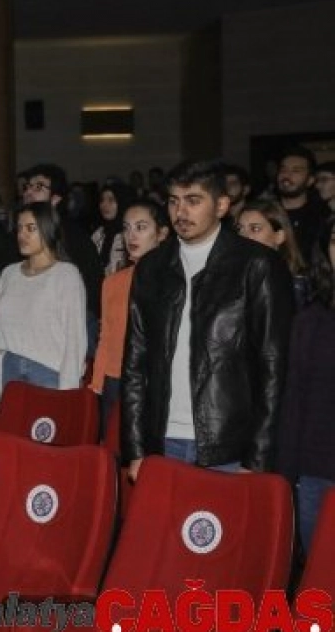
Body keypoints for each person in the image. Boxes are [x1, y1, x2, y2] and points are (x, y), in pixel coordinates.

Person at [123, 160, 293, 480]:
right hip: (162, 440)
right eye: (174, 201)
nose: (181, 212)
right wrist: (135, 448)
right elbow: (135, 362)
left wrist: (258, 456)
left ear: (222, 205)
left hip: (229, 443)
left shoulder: (257, 265)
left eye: (193, 200)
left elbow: (273, 366)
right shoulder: (152, 267)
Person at [0, 202, 88, 402]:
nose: (22, 235)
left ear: (47, 229)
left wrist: (67, 394)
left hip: (48, 372)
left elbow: (74, 340)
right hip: (10, 367)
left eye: (30, 228)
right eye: (19, 228)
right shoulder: (9, 273)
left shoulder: (66, 275)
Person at [279, 218, 335, 554]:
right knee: (317, 571)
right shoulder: (310, 320)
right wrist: (286, 481)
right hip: (317, 471)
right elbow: (294, 403)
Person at [89, 200, 170, 431]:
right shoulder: (113, 282)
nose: (131, 236)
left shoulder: (173, 281)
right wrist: (97, 383)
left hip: (154, 380)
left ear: (162, 233)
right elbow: (106, 336)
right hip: (115, 378)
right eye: (126, 228)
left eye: (141, 227)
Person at [21, 164, 104, 351]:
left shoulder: (71, 235)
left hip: (68, 325)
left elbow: (91, 285)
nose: (29, 192)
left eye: (38, 187)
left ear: (55, 198)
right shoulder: (21, 234)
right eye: (27, 186)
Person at [235, 198, 310, 307]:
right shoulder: (232, 278)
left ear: (279, 236)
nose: (244, 236)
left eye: (255, 229)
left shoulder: (295, 286)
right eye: (239, 229)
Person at [275, 146, 331, 258]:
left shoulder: (322, 218)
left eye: (296, 171)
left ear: (310, 180)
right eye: (283, 170)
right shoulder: (264, 213)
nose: (286, 175)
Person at [91, 182, 134, 275]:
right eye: (102, 200)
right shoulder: (99, 233)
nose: (104, 205)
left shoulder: (130, 234)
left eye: (111, 200)